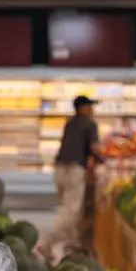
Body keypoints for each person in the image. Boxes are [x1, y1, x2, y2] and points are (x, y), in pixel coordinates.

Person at [37, 94, 101, 261]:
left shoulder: (70, 122)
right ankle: (46, 243)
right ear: (83, 108)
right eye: (90, 106)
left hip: (59, 168)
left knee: (68, 208)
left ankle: (73, 245)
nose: (92, 110)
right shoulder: (90, 124)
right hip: (74, 169)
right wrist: (105, 160)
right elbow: (95, 149)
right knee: (71, 210)